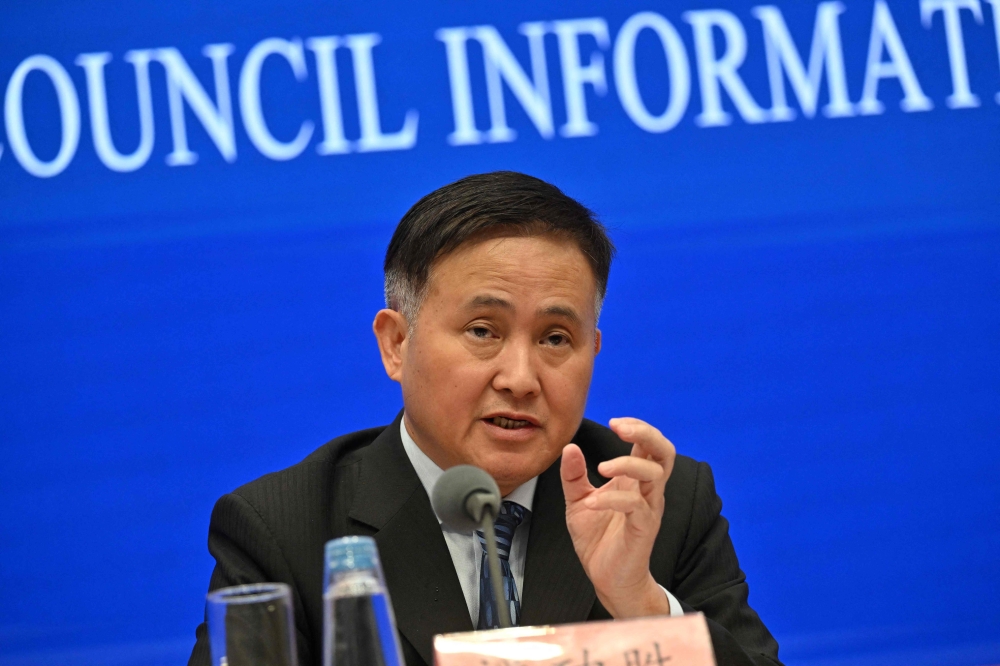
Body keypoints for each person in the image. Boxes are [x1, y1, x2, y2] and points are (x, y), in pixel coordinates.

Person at [187, 171, 781, 666]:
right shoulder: (285, 530)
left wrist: (643, 606)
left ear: (592, 352)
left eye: (555, 338)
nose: (520, 378)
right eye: (482, 331)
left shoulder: (655, 505)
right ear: (397, 344)